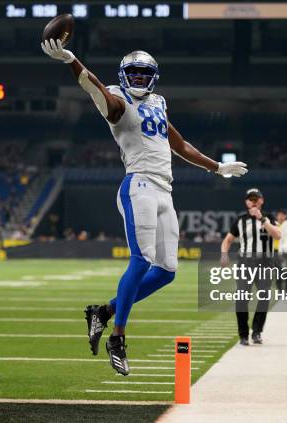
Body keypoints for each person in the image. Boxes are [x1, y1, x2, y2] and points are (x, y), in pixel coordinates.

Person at [41, 41, 248, 375]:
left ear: (153, 77)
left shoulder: (158, 102)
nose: (138, 78)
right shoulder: (116, 99)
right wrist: (71, 59)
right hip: (139, 184)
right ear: (124, 76)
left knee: (166, 271)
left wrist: (217, 168)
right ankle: (117, 338)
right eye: (133, 72)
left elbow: (178, 143)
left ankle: (103, 313)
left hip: (165, 189)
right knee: (141, 261)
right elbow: (96, 90)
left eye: (144, 73)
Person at [220, 188, 281, 346]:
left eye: (256, 198)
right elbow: (228, 240)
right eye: (250, 199)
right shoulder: (240, 220)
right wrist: (224, 254)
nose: (253, 201)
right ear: (246, 201)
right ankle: (243, 334)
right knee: (241, 299)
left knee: (263, 299)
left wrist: (262, 219)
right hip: (246, 263)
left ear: (262, 200)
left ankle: (257, 331)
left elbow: (278, 235)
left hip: (265, 262)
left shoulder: (270, 218)